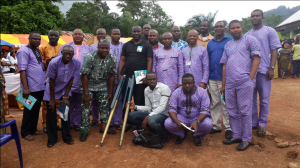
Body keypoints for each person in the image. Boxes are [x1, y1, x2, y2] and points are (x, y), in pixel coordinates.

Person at [220, 20, 261, 151]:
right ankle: (236, 135)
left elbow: (257, 58)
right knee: (232, 110)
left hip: (244, 82)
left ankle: (246, 139)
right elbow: (225, 65)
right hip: (230, 83)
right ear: (229, 30)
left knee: (245, 111)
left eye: (238, 27)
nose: (235, 30)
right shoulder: (227, 45)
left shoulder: (250, 40)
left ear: (241, 28)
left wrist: (250, 78)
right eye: (233, 28)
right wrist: (224, 84)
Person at [246, 9, 281, 137]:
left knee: (264, 99)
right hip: (251, 71)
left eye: (257, 16)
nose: (254, 18)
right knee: (252, 98)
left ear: (262, 17)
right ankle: (254, 122)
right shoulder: (247, 34)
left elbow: (274, 50)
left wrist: (272, 67)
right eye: (252, 16)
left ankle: (262, 123)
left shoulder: (270, 31)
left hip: (264, 69)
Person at [43, 45, 81, 147]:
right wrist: (52, 99)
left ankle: (66, 136)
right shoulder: (54, 63)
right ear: (61, 53)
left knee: (65, 112)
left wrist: (65, 97)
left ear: (73, 54)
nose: (68, 56)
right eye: (65, 53)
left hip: (65, 88)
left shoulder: (76, 63)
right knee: (51, 112)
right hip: (52, 88)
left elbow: (72, 79)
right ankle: (52, 138)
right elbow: (51, 81)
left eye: (70, 54)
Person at [79, 39, 116, 142]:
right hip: (88, 85)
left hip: (102, 84)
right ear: (98, 47)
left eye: (106, 48)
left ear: (109, 48)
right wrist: (86, 94)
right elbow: (84, 76)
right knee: (86, 107)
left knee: (105, 105)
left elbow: (112, 76)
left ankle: (103, 127)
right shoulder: (89, 57)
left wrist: (110, 93)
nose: (104, 50)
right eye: (102, 47)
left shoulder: (112, 59)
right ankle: (84, 130)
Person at [164, 73, 213, 146]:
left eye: (189, 83)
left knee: (208, 124)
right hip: (181, 117)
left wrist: (197, 121)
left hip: (197, 117)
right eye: (184, 83)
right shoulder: (177, 92)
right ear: (182, 83)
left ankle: (197, 135)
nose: (187, 85)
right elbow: (172, 109)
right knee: (167, 123)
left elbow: (205, 110)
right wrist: (178, 122)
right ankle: (182, 134)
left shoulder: (202, 92)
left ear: (194, 82)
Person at [58, 29, 92, 131]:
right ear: (72, 36)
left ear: (83, 36)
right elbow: (60, 61)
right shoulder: (66, 47)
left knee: (79, 103)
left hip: (82, 79)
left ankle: (76, 123)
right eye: (75, 34)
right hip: (67, 79)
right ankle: (65, 124)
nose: (77, 36)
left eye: (80, 34)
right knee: (65, 101)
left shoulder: (88, 48)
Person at [17, 31, 46, 141]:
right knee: (29, 109)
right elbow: (22, 70)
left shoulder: (37, 50)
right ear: (29, 38)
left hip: (40, 86)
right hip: (30, 87)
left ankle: (33, 128)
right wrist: (25, 87)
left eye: (39, 39)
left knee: (36, 109)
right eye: (35, 39)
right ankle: (25, 132)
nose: (37, 40)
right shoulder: (23, 51)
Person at [128, 72, 171, 145]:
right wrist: (135, 107)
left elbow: (162, 107)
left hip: (164, 114)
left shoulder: (164, 88)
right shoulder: (146, 90)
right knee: (131, 116)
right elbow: (148, 107)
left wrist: (148, 117)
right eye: (149, 79)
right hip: (152, 113)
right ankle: (152, 129)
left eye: (154, 79)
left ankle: (165, 134)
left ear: (157, 79)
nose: (152, 81)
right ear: (146, 80)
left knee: (151, 120)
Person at [207, 21, 233, 138]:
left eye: (221, 26)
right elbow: (207, 60)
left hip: (226, 78)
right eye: (216, 27)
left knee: (226, 103)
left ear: (225, 28)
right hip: (212, 77)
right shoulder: (210, 43)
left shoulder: (230, 41)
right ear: (214, 29)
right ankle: (216, 126)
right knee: (215, 102)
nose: (218, 28)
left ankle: (228, 128)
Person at [118, 25, 153, 106]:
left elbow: (149, 60)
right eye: (134, 31)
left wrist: (147, 76)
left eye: (138, 31)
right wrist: (119, 74)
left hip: (141, 75)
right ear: (131, 33)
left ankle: (137, 118)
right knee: (126, 98)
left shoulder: (147, 45)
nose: (136, 33)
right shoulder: (126, 45)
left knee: (139, 98)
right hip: (128, 74)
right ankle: (126, 118)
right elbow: (122, 60)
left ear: (141, 33)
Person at [39, 29, 63, 133]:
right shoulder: (42, 47)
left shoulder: (62, 46)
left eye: (55, 35)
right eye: (51, 35)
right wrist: (47, 62)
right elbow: (39, 62)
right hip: (47, 78)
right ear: (48, 36)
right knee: (47, 102)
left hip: (60, 78)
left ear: (58, 37)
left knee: (59, 102)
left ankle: (58, 123)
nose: (53, 37)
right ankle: (45, 124)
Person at [89, 28, 108, 127]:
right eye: (98, 34)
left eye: (102, 34)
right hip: (93, 79)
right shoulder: (91, 47)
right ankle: (95, 119)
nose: (100, 35)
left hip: (106, 78)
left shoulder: (110, 46)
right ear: (96, 35)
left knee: (105, 100)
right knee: (94, 101)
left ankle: (106, 121)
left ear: (106, 35)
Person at [107, 27, 124, 129]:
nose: (116, 35)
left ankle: (117, 122)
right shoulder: (106, 46)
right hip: (107, 78)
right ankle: (109, 121)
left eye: (118, 34)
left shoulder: (124, 46)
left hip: (120, 78)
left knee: (119, 100)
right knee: (109, 98)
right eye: (114, 34)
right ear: (110, 35)